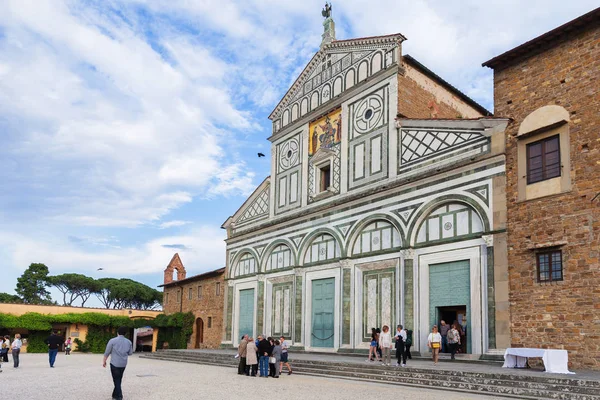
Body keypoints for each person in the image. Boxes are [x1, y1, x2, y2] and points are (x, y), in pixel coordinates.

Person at [103, 326, 133, 400]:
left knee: (116, 380)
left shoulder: (112, 341)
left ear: (117, 333)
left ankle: (119, 396)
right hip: (123, 364)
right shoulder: (129, 342)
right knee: (119, 379)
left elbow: (107, 352)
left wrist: (104, 361)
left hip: (114, 363)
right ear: (125, 334)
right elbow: (130, 353)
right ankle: (114, 395)